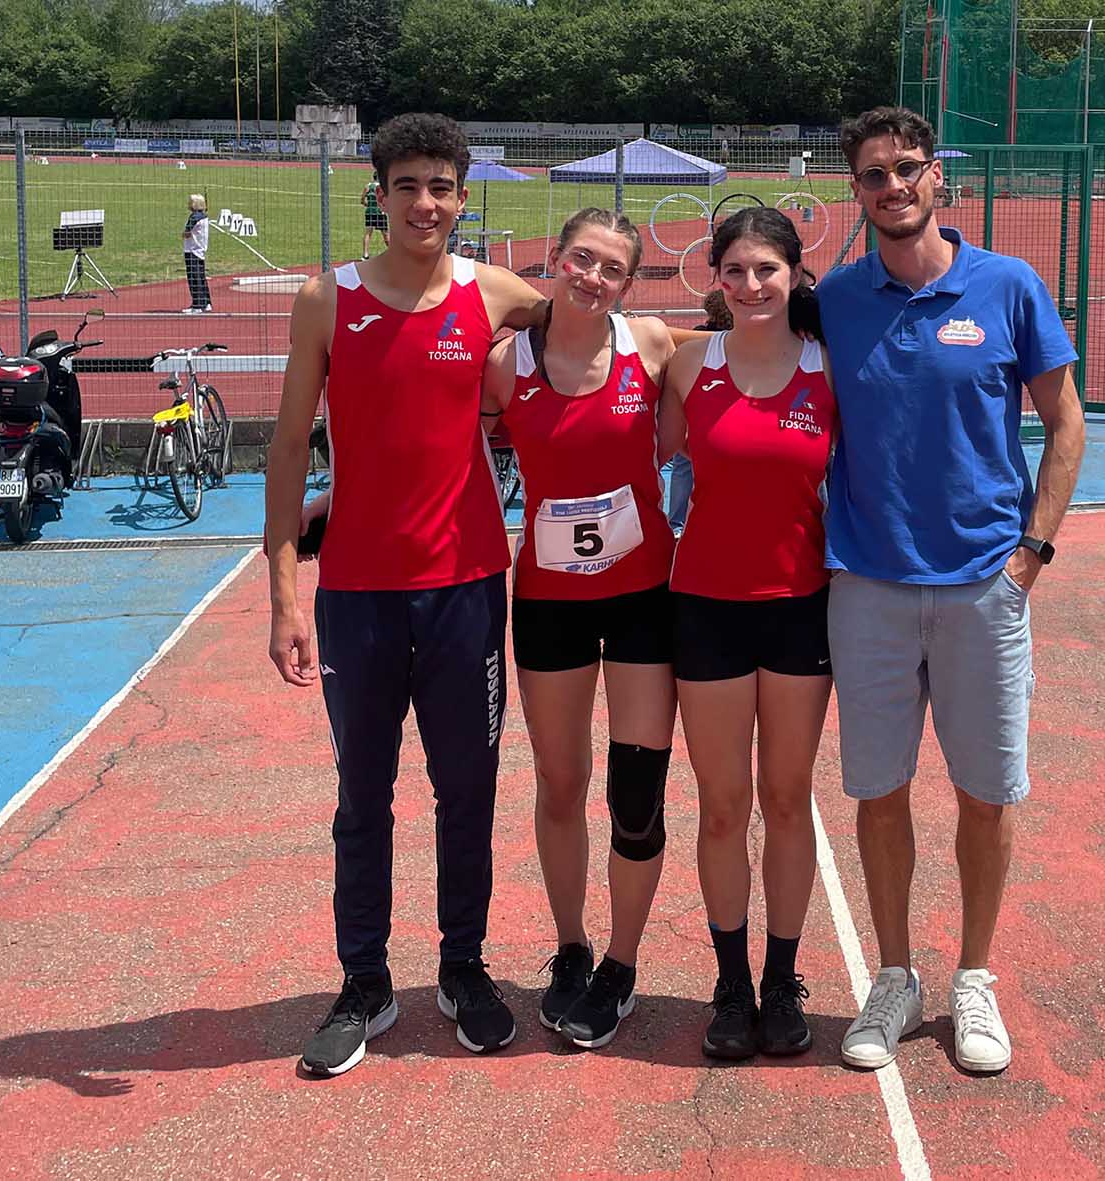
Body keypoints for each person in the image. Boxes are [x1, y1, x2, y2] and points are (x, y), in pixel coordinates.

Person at [263, 112, 547, 1076]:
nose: (426, 203)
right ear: (377, 193)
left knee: (466, 791)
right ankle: (366, 981)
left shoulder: (495, 293)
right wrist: (283, 594)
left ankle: (464, 968)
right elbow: (288, 445)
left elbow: (600, 335)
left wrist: (748, 323)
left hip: (468, 584)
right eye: (408, 186)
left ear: (465, 199)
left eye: (443, 187)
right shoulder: (325, 299)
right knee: (363, 797)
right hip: (358, 593)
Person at [817, 106, 1086, 1076]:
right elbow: (741, 335)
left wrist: (1031, 554)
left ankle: (973, 974)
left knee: (985, 792)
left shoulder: (1007, 286)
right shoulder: (835, 301)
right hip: (869, 589)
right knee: (878, 790)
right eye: (872, 175)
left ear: (939, 179)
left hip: (983, 588)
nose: (891, 186)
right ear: (855, 192)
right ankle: (894, 975)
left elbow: (1064, 422)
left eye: (906, 169)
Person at [480, 208, 683, 1050]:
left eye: (612, 270)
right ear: (554, 260)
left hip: (642, 598)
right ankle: (571, 947)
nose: (593, 278)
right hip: (551, 600)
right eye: (581, 260)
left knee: (635, 798)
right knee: (560, 786)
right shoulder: (504, 364)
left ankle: (622, 966)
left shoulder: (654, 346)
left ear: (630, 284)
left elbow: (748, 358)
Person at [660, 208, 835, 1060]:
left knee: (788, 799)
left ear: (797, 274)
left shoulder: (829, 366)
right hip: (707, 609)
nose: (752, 285)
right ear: (715, 279)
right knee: (725, 807)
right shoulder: (691, 362)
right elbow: (623, 447)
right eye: (735, 270)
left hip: (802, 606)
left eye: (767, 269)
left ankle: (782, 978)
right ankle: (731, 985)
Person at [665, 291, 732, 533]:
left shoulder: (699, 339)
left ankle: (676, 523)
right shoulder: (706, 340)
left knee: (683, 467)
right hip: (710, 419)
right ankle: (678, 523)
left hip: (698, 420)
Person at [182, 194, 212, 314]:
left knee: (194, 278)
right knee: (201, 277)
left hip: (192, 250)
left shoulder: (194, 217)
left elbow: (187, 232)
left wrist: (183, 234)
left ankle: (197, 305)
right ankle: (206, 302)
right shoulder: (204, 216)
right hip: (200, 249)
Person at [361, 178, 389, 259]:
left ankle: (365, 254)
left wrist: (368, 205)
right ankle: (392, 253)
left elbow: (362, 200)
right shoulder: (383, 187)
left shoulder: (368, 186)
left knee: (368, 234)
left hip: (370, 212)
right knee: (386, 234)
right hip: (380, 212)